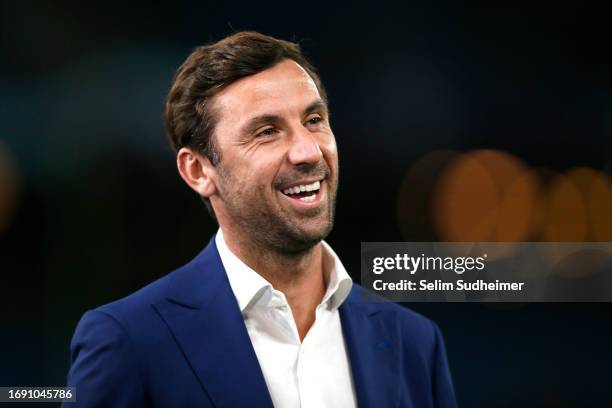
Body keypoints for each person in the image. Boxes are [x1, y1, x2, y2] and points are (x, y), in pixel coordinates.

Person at [64, 31, 457, 407]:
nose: (308, 151)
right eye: (267, 131)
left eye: (314, 120)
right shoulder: (128, 340)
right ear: (198, 171)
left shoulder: (415, 342)